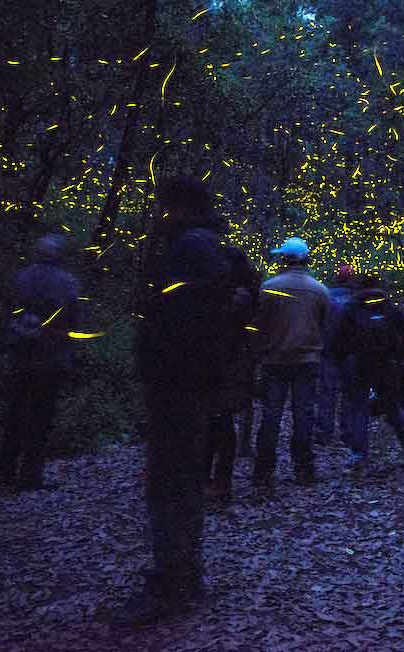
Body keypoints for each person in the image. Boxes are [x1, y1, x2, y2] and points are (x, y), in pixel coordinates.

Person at [124, 176, 238, 625]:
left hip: (179, 384)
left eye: (162, 205)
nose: (156, 213)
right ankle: (181, 573)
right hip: (187, 382)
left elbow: (181, 322)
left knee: (170, 480)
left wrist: (161, 362)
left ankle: (175, 578)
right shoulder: (200, 248)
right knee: (178, 478)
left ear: (180, 207)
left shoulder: (190, 249)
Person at [0, 234, 81, 490]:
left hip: (20, 356)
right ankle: (31, 476)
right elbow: (74, 318)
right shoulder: (67, 283)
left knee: (15, 415)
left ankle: (6, 473)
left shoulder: (20, 278)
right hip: (50, 359)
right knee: (40, 418)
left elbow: (5, 309)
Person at [251, 236, 330, 489]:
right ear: (306, 259)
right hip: (307, 360)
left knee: (271, 416)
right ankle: (304, 469)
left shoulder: (269, 287)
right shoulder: (319, 290)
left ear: (284, 259)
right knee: (303, 415)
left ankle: (264, 473)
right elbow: (324, 325)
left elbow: (257, 325)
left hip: (274, 360)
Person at [331, 276, 404, 476]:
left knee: (359, 409)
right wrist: (398, 356)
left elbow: (337, 340)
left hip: (359, 365)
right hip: (386, 365)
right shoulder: (389, 308)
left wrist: (343, 361)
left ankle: (359, 457)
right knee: (392, 407)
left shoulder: (351, 308)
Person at [205, 243, 261, 503]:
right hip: (229, 365)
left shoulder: (237, 297)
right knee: (217, 422)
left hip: (226, 366)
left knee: (219, 422)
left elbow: (225, 329)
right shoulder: (241, 293)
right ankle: (213, 479)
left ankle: (219, 480)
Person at [315, 264, 358, 446]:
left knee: (327, 392)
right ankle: (347, 433)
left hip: (327, 350)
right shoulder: (356, 299)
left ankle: (325, 433)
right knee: (349, 393)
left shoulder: (325, 296)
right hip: (350, 352)